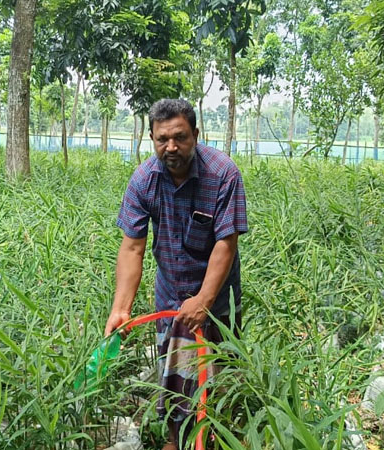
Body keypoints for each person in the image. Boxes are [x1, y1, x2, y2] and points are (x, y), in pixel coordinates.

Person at [104, 98, 248, 450]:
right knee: (172, 376)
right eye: (162, 139)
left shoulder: (222, 174)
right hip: (170, 294)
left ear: (195, 134)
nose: (171, 147)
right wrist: (121, 307)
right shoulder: (143, 180)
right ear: (151, 138)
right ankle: (174, 438)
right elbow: (133, 247)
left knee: (218, 382)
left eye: (180, 137)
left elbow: (225, 245)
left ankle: (213, 438)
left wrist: (203, 300)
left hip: (217, 300)